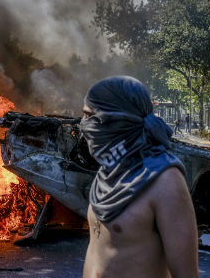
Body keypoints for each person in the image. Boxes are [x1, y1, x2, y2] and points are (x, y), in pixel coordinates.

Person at [80, 76, 198, 278]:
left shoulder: (166, 180)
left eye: (90, 116)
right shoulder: (109, 170)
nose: (83, 124)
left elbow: (187, 274)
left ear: (117, 121)